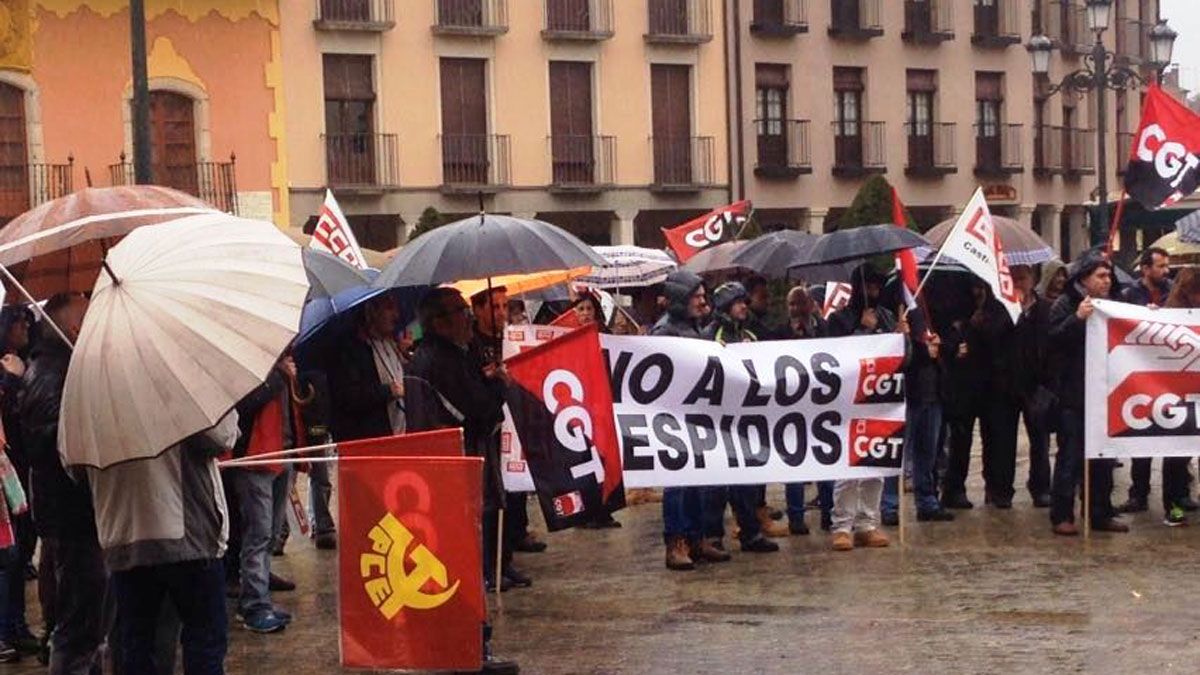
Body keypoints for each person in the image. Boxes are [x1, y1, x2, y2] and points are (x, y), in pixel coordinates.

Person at [405, 287, 518, 674]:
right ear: (438, 322)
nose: (468, 317)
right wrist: (498, 384)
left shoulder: (441, 357)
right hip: (457, 473)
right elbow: (478, 412)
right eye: (459, 311)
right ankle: (472, 647)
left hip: (443, 472)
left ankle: (458, 643)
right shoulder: (442, 361)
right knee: (466, 561)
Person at [89, 411, 238, 674]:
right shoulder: (174, 379)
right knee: (204, 639)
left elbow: (73, 463)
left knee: (136, 644)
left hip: (124, 534)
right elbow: (221, 436)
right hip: (185, 533)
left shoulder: (89, 396)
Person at [21, 293, 112, 674]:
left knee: (87, 621)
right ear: (73, 327)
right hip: (72, 516)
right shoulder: (51, 374)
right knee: (78, 626)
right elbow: (51, 444)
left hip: (74, 514)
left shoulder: (61, 368)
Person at [228, 356, 307, 634]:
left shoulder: (284, 365)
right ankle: (254, 604)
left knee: (270, 533)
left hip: (280, 454)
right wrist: (278, 378)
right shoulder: (251, 365)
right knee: (258, 534)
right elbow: (242, 407)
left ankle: (259, 596)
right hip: (255, 458)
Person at [1048, 250, 1125, 535]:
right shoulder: (1065, 304)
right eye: (1100, 276)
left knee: (1103, 458)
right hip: (1073, 394)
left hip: (1105, 393)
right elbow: (1053, 340)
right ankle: (1062, 514)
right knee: (1070, 455)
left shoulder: (1113, 303)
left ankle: (1099, 512)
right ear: (1085, 278)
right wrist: (1077, 319)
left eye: (1108, 276)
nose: (1107, 281)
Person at [699, 283, 779, 555]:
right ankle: (712, 535)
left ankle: (751, 532)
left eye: (745, 301)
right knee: (717, 483)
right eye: (737, 302)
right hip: (718, 419)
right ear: (724, 307)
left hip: (746, 418)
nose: (744, 306)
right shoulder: (710, 335)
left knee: (746, 480)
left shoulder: (750, 335)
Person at [469, 286, 543, 576]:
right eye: (494, 306)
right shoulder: (472, 342)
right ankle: (490, 564)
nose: (500, 313)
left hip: (508, 423)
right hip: (485, 427)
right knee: (488, 497)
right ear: (477, 309)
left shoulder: (507, 339)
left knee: (506, 495)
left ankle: (505, 558)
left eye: (503, 306)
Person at [652, 270, 723, 570]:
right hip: (673, 416)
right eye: (696, 296)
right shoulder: (664, 331)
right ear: (682, 298)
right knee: (677, 481)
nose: (701, 300)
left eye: (703, 296)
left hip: (694, 413)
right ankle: (676, 541)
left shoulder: (692, 326)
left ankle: (696, 537)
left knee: (697, 478)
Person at [1116, 247, 1191, 518]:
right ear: (1145, 268)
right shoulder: (1129, 294)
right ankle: (1139, 493)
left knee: (1176, 439)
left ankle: (1179, 496)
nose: (1165, 270)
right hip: (1142, 376)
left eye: (1167, 265)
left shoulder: (1175, 291)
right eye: (1160, 266)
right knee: (1141, 439)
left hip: (1172, 376)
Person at [826, 268, 897, 551]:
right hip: (848, 401)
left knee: (875, 467)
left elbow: (903, 358)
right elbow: (836, 358)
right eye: (869, 285)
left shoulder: (888, 317)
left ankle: (867, 523)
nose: (874, 290)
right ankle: (842, 525)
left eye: (878, 285)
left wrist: (901, 337)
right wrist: (863, 330)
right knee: (848, 468)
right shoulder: (838, 319)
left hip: (881, 401)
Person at [1147, 264, 1200, 526]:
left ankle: (1182, 497)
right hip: (1178, 393)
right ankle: (1174, 504)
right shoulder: (1172, 314)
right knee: (1177, 450)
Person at [0, 306, 36, 659]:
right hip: (7, 474)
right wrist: (12, 381)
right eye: (17, 320)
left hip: (23, 473)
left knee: (19, 552)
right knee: (7, 556)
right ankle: (6, 630)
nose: (25, 325)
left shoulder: (29, 362)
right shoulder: (8, 368)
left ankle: (16, 625)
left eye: (27, 319)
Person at [326, 294, 407, 444]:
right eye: (389, 308)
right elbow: (347, 396)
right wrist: (388, 391)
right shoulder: (349, 350)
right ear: (371, 311)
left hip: (401, 433)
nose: (396, 315)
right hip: (372, 441)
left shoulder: (391, 343)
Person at [782, 285, 828, 535]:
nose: (796, 309)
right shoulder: (780, 331)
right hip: (791, 407)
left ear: (811, 305)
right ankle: (796, 517)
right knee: (795, 463)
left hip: (820, 405)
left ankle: (828, 512)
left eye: (801, 303)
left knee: (825, 460)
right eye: (792, 304)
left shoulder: (823, 329)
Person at [1012, 265, 1056, 508]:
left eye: (1023, 278)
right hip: (1009, 383)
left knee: (1040, 440)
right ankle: (999, 489)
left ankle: (1041, 487)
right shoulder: (1001, 308)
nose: (1020, 282)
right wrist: (1014, 312)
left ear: (1032, 280)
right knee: (1002, 441)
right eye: (1014, 278)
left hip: (1037, 384)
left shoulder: (1046, 308)